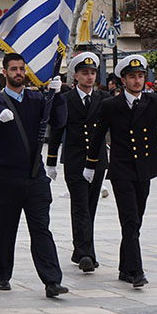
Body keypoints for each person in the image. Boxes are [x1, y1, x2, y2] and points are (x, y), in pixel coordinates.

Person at [83, 54, 157, 288]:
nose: (137, 81)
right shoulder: (111, 105)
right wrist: (91, 164)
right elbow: (97, 136)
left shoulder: (151, 101)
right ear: (123, 80)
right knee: (130, 220)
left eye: (140, 76)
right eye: (132, 77)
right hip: (122, 170)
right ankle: (137, 271)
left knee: (136, 221)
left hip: (144, 169)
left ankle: (125, 268)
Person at [0, 52, 69, 298]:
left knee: (41, 228)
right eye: (14, 69)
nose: (19, 73)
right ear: (5, 73)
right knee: (5, 227)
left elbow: (59, 120)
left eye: (21, 69)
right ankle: (2, 274)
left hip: (35, 175)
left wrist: (58, 95)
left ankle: (52, 281)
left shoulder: (36, 98)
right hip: (7, 175)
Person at [46, 52, 109, 274]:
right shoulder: (66, 99)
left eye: (92, 73)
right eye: (85, 73)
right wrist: (51, 161)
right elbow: (57, 129)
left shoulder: (103, 98)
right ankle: (86, 254)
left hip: (98, 160)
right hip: (75, 160)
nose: (89, 77)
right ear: (76, 76)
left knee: (90, 207)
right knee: (80, 206)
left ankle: (80, 250)